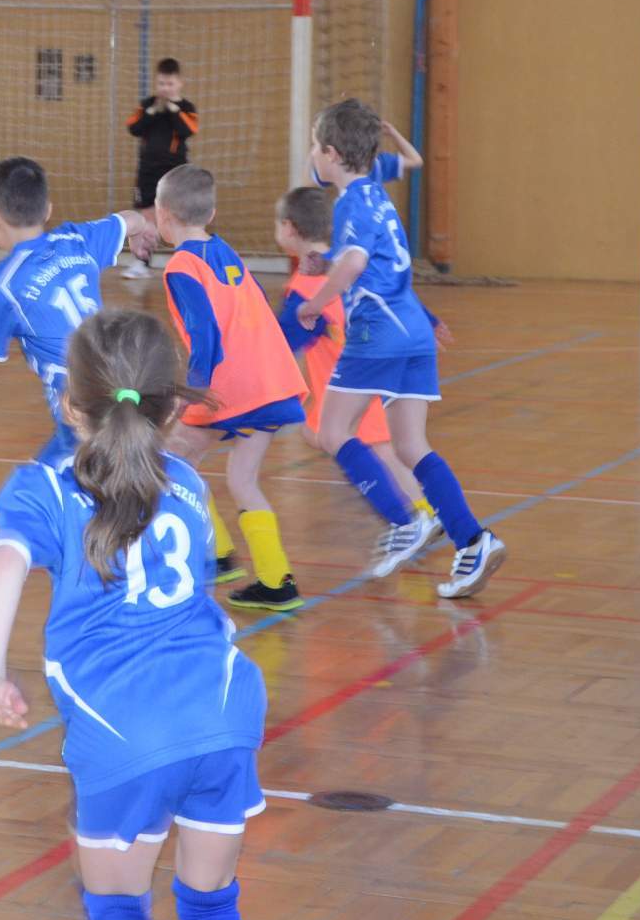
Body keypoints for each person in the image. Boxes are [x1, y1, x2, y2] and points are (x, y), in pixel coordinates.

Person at [0, 308, 264, 920]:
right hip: (225, 706)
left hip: (124, 724)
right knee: (213, 911)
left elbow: (6, 557)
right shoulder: (188, 484)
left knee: (119, 913)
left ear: (68, 404)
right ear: (173, 411)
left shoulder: (44, 489)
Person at [294, 99, 506, 597]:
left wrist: (314, 304)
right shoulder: (376, 193)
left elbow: (355, 264)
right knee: (411, 446)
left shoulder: (350, 202)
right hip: (413, 330)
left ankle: (404, 521)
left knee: (331, 432)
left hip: (378, 333)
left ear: (331, 154)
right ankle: (474, 541)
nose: (312, 155)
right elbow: (368, 260)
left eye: (315, 146)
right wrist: (327, 261)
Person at [154, 165, 306, 612]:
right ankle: (276, 581)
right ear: (212, 214)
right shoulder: (224, 251)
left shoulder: (182, 266)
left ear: (163, 216)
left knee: (171, 460)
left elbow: (205, 336)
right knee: (242, 479)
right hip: (271, 381)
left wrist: (191, 392)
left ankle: (215, 555)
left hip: (230, 385)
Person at [0, 157, 154, 466]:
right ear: (47, 209)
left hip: (80, 407)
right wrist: (143, 229)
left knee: (60, 482)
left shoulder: (1, 284)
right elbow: (129, 219)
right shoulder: (75, 239)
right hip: (126, 378)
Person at [273, 185, 438, 525]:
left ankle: (420, 515)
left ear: (289, 228)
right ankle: (415, 509)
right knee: (323, 434)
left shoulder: (305, 289)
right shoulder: (348, 264)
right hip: (377, 369)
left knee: (379, 450)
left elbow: (283, 343)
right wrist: (428, 319)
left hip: (358, 381)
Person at [120, 57, 198, 279]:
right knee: (147, 217)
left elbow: (188, 130)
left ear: (180, 83)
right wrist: (153, 111)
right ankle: (141, 263)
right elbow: (133, 127)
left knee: (180, 217)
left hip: (174, 172)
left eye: (170, 84)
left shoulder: (186, 108)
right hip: (148, 171)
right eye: (161, 83)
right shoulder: (147, 105)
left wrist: (172, 109)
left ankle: (188, 263)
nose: (165, 88)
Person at [307, 116, 421, 189]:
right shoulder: (380, 163)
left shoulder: (338, 163)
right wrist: (393, 133)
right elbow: (416, 160)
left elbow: (307, 184)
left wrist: (317, 143)